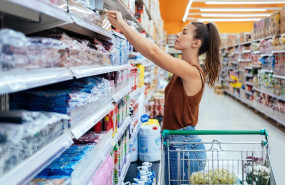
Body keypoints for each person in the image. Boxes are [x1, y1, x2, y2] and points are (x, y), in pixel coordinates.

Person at [106, 10, 221, 185]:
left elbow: (154, 52)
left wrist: (122, 25)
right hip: (176, 143)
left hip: (184, 147)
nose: (177, 34)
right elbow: (152, 54)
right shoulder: (182, 69)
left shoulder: (192, 72)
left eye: (184, 32)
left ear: (196, 43)